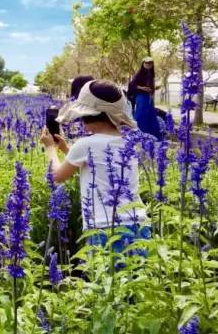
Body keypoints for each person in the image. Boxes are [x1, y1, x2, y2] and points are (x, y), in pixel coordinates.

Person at [40, 79, 148, 253]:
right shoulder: (129, 142)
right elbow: (97, 165)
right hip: (139, 225)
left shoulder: (85, 145)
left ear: (87, 116)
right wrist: (67, 149)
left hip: (104, 228)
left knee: (105, 279)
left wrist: (51, 148)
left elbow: (57, 177)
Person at [129, 57, 161, 140]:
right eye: (146, 63)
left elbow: (152, 85)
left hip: (149, 97)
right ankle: (137, 134)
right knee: (141, 114)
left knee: (151, 114)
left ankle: (152, 136)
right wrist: (143, 88)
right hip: (141, 96)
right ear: (143, 64)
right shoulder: (139, 73)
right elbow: (132, 84)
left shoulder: (151, 73)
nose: (148, 64)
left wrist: (154, 90)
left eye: (150, 63)